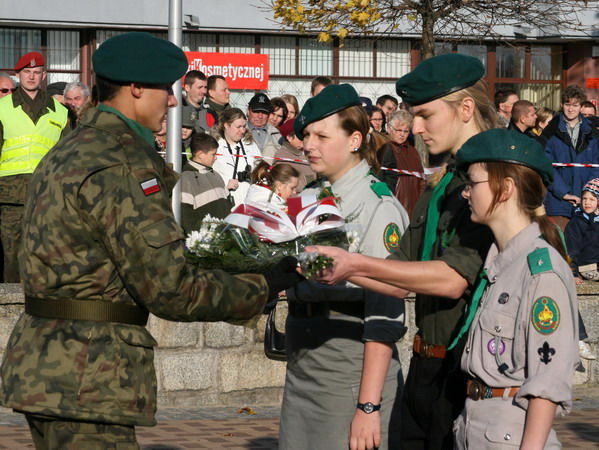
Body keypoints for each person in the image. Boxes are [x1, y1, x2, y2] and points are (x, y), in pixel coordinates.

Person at [0, 32, 301, 448]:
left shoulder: (70, 147)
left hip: (48, 366)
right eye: (166, 89)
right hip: (89, 374)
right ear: (136, 89)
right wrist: (263, 284)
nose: (173, 102)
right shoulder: (119, 161)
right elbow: (168, 286)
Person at [307, 53, 498, 449]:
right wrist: (317, 262)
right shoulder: (441, 186)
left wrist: (352, 263)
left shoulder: (491, 182)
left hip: (468, 373)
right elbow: (395, 277)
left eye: (426, 115)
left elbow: (450, 279)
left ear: (465, 108)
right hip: (426, 369)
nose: (417, 127)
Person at [279, 84, 410, 450]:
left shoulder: (375, 204)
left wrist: (368, 405)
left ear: (355, 140)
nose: (308, 145)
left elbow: (385, 309)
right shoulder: (313, 197)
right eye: (306, 135)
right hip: (306, 360)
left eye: (322, 135)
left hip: (349, 368)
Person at [454, 128, 578, 449]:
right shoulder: (499, 262)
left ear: (505, 188)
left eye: (472, 183)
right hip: (477, 426)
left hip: (512, 435)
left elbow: (547, 383)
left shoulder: (541, 271)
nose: (465, 193)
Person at [0, 51, 70, 283]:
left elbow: (67, 157)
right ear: (18, 75)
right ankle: (11, 308)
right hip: (10, 194)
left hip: (46, 194)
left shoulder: (60, 112)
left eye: (36, 72)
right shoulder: (2, 108)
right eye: (26, 72)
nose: (31, 77)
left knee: (45, 253)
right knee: (12, 254)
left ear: (44, 76)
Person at [542, 85, 599, 230]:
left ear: (581, 107)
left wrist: (588, 193)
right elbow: (546, 166)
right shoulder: (550, 132)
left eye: (575, 105)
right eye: (568, 104)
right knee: (558, 247)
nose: (571, 109)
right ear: (562, 105)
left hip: (587, 203)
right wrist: (564, 193)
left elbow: (596, 165)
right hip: (558, 202)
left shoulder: (592, 133)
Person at [564, 177, 599, 361]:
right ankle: (580, 341)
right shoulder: (576, 223)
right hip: (586, 268)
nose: (587, 203)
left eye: (592, 199)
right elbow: (571, 251)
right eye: (584, 199)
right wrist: (573, 272)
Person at [378, 110, 426, 217]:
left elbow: (422, 181)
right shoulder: (383, 149)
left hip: (413, 209)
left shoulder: (413, 152)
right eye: (398, 130)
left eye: (406, 131)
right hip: (391, 208)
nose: (402, 134)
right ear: (389, 128)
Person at [181, 132, 231, 232]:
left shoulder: (216, 175)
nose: (216, 157)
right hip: (205, 241)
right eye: (213, 154)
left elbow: (227, 206)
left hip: (226, 238)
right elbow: (186, 218)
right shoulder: (185, 179)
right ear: (200, 154)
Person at [211, 107, 262, 206]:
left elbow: (260, 172)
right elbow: (207, 177)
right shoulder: (214, 146)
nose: (242, 131)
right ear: (226, 125)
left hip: (249, 203)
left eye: (244, 126)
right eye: (238, 127)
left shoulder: (250, 145)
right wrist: (225, 185)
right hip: (223, 203)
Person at [275, 118, 316, 192]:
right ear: (289, 138)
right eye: (299, 135)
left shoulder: (310, 151)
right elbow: (287, 183)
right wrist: (313, 181)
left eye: (305, 134)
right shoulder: (282, 155)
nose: (303, 138)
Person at [247, 93, 281, 158]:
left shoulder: (276, 135)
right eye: (256, 112)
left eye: (264, 112)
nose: (260, 116)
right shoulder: (239, 131)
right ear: (248, 110)